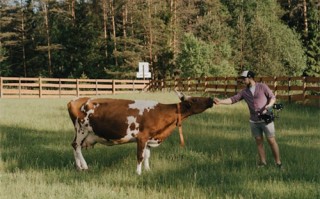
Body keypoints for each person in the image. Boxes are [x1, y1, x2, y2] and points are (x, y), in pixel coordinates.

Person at [214, 70, 282, 168]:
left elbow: (272, 97)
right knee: (259, 142)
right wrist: (220, 102)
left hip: (266, 119)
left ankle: (278, 163)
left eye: (244, 78)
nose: (242, 81)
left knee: (271, 141)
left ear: (250, 78)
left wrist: (269, 105)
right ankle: (262, 162)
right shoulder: (244, 92)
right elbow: (233, 99)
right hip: (254, 121)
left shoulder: (262, 86)